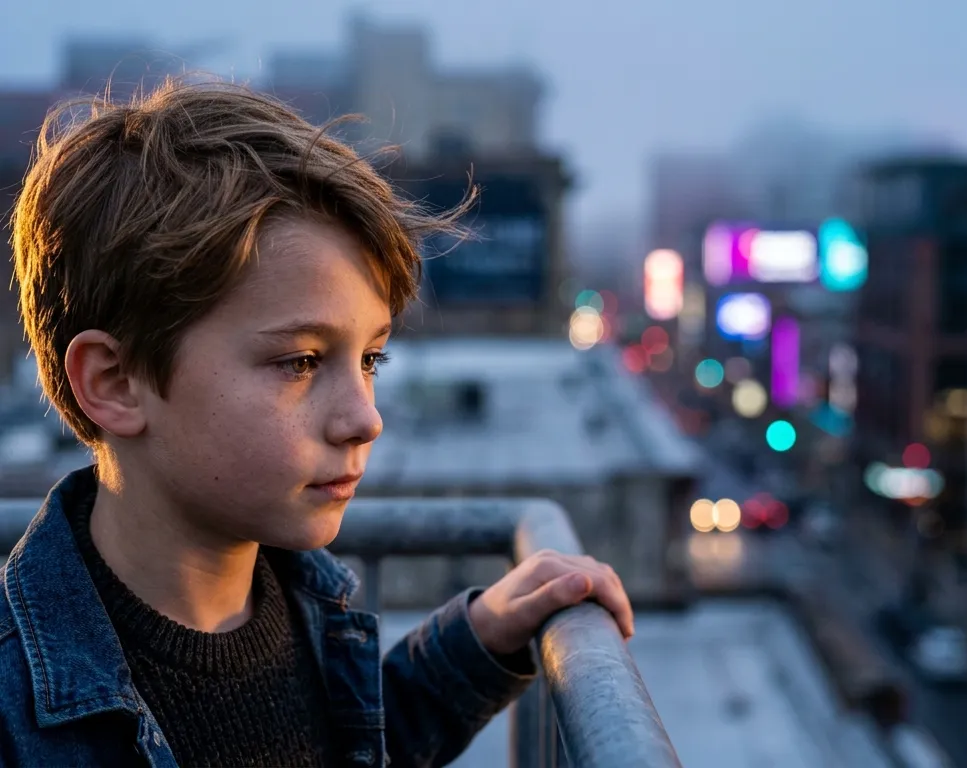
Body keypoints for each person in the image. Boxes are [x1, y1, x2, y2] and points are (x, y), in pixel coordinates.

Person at [0, 80, 634, 768]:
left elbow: (345, 746)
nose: (365, 418)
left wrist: (477, 643)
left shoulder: (304, 603)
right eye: (300, 361)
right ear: (114, 383)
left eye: (370, 358)